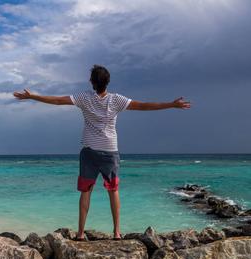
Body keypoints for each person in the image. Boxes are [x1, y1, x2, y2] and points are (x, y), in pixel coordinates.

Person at [13, 65, 191, 240]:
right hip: (110, 151)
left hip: (89, 152)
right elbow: (143, 106)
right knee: (113, 191)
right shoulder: (116, 100)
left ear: (92, 82)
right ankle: (116, 232)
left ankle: (81, 233)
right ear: (108, 82)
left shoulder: (84, 98)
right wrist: (171, 104)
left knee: (86, 191)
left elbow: (58, 101)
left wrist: (32, 96)